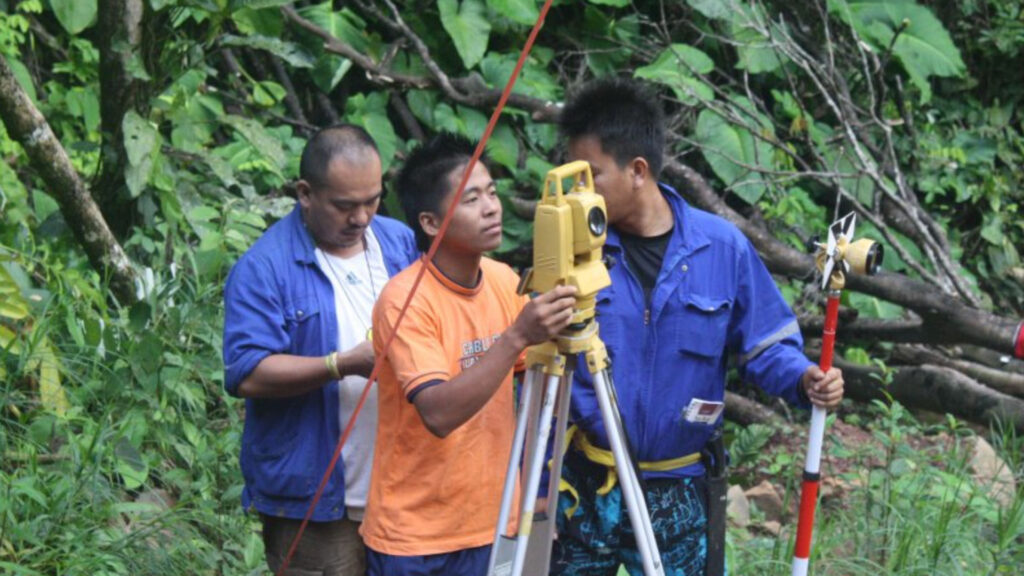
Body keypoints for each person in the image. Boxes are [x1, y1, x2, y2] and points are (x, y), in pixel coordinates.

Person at [549, 78, 845, 576]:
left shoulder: (721, 248)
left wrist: (802, 378)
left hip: (678, 484)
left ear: (637, 170)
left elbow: (765, 345)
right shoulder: (569, 248)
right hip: (587, 480)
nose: (580, 192)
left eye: (591, 175)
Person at [359, 133, 577, 576]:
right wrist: (516, 336)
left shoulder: (501, 280)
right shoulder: (405, 300)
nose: (492, 208)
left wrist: (531, 487)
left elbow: (536, 383)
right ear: (431, 222)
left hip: (493, 522)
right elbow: (438, 413)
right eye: (471, 199)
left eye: (492, 193)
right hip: (417, 537)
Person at [222, 124, 419, 575]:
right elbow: (247, 372)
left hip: (401, 489)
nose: (362, 218)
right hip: (316, 498)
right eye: (345, 206)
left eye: (373, 200)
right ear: (305, 193)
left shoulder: (398, 241)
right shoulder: (264, 268)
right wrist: (342, 364)